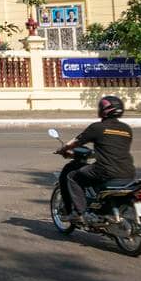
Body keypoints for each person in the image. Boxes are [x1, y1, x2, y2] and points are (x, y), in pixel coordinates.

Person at [57, 95, 136, 225]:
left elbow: (75, 142)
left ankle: (78, 213)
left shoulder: (97, 127)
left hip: (105, 170)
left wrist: (63, 150)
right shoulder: (127, 129)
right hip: (129, 172)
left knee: (72, 176)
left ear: (104, 110)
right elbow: (112, 148)